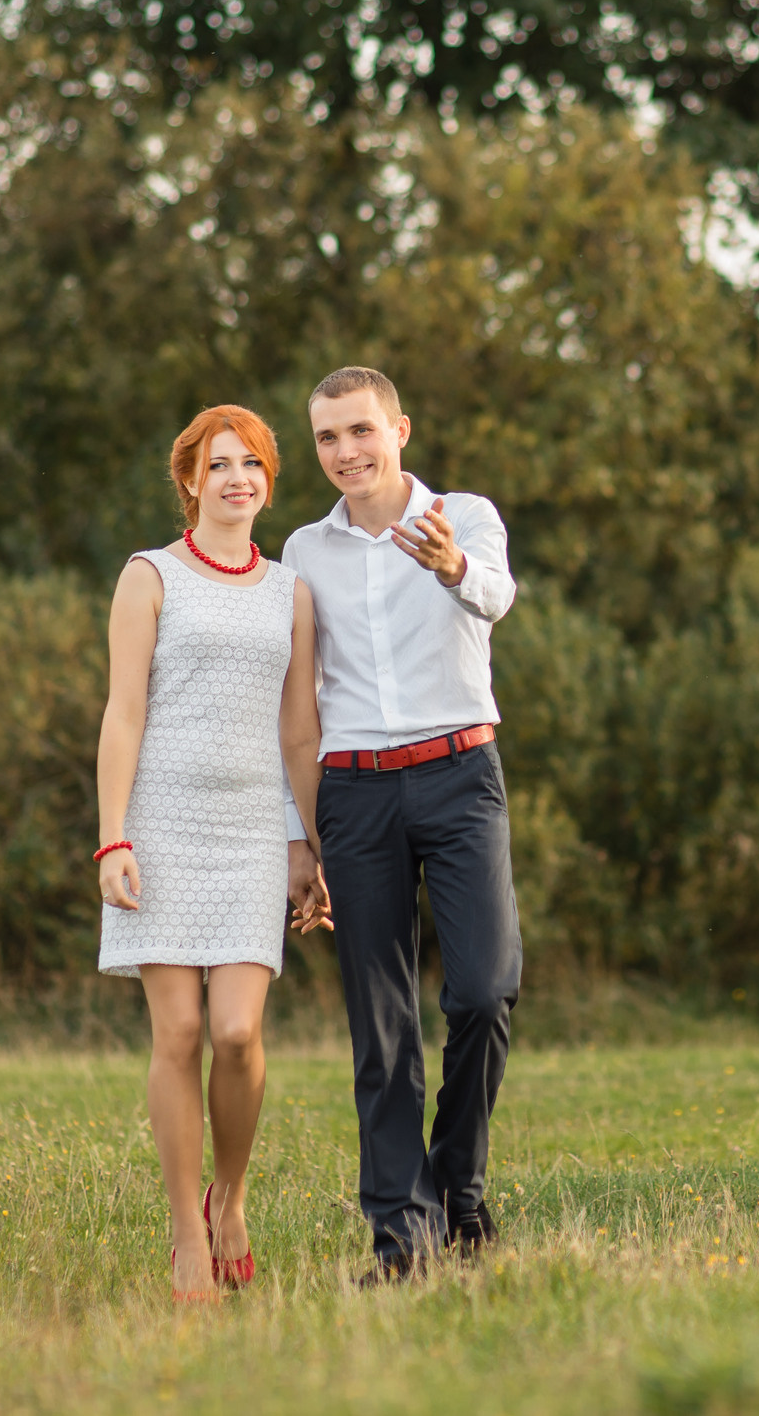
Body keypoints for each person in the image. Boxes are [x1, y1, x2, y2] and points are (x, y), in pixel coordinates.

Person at [281, 365, 521, 1283]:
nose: (346, 451)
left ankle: (458, 1183)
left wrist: (451, 563)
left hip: (461, 775)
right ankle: (404, 1243)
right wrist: (299, 837)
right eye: (328, 438)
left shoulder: (466, 515)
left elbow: (495, 594)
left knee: (484, 990)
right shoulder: (303, 552)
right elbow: (294, 705)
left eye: (360, 431)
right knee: (381, 1034)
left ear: (400, 430)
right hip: (356, 794)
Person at [96, 404, 334, 1303]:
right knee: (182, 1031)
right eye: (220, 464)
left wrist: (311, 845)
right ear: (190, 480)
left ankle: (227, 1197)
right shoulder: (148, 576)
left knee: (237, 1033)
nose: (238, 477)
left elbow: (299, 729)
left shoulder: (290, 592)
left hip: (247, 835)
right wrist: (112, 835)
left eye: (254, 464)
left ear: (269, 481)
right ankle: (186, 1233)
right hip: (159, 823)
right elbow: (123, 713)